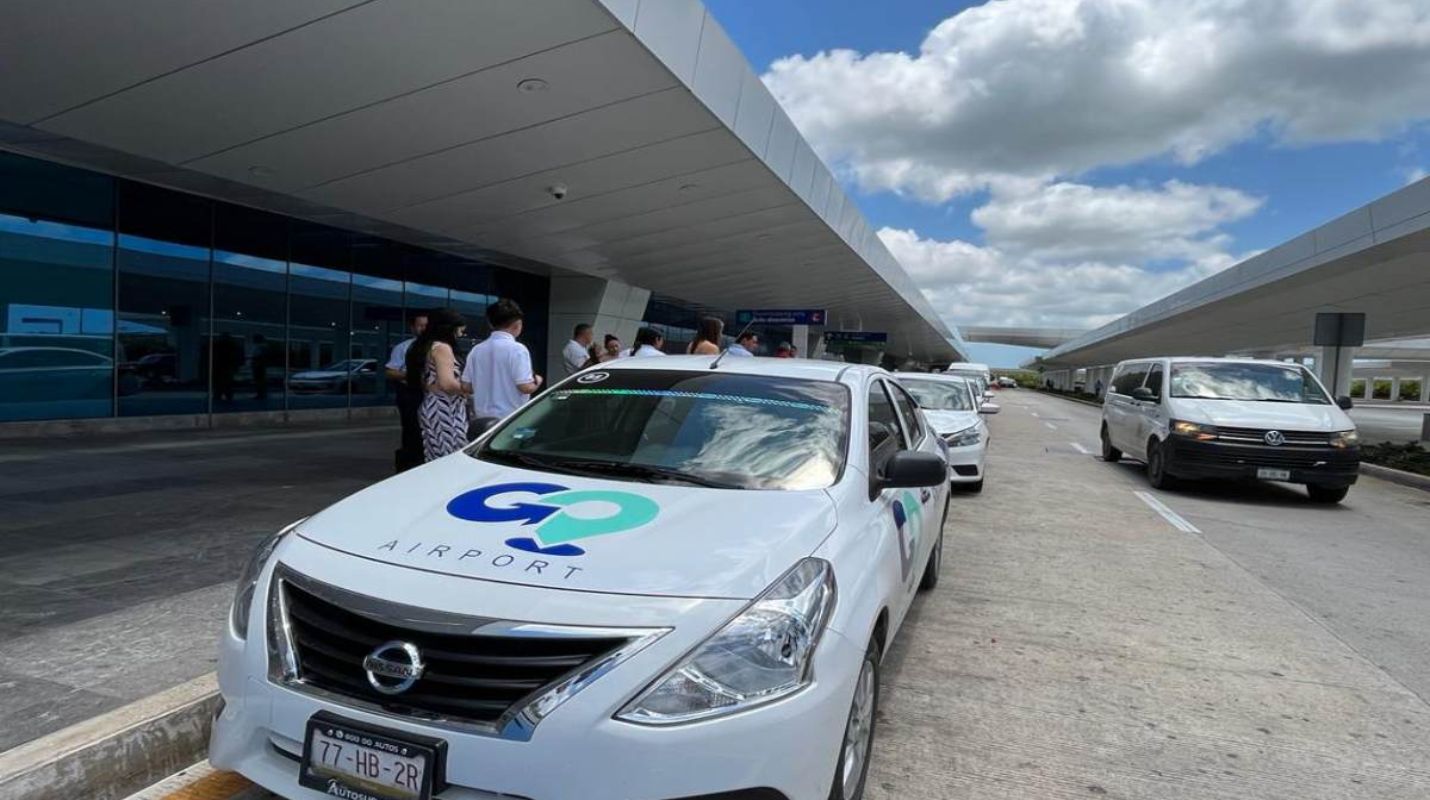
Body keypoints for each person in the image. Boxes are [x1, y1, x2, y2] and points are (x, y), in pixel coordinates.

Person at [462, 298, 542, 422]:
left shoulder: (477, 350)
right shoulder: (518, 349)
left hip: (482, 420)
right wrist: (538, 380)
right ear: (517, 324)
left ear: (491, 324)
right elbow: (525, 387)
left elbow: (466, 386)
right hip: (510, 420)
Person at [404, 308, 468, 462]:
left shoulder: (423, 346)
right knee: (451, 456)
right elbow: (447, 383)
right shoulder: (442, 348)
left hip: (431, 405)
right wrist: (468, 388)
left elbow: (424, 381)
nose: (460, 335)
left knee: (435, 455)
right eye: (459, 330)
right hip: (446, 408)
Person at [386, 312, 429, 472]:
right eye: (420, 325)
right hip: (410, 394)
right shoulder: (403, 347)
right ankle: (409, 465)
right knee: (411, 429)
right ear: (412, 327)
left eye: (426, 325)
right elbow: (390, 371)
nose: (424, 329)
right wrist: (411, 376)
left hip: (431, 394)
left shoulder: (437, 346)